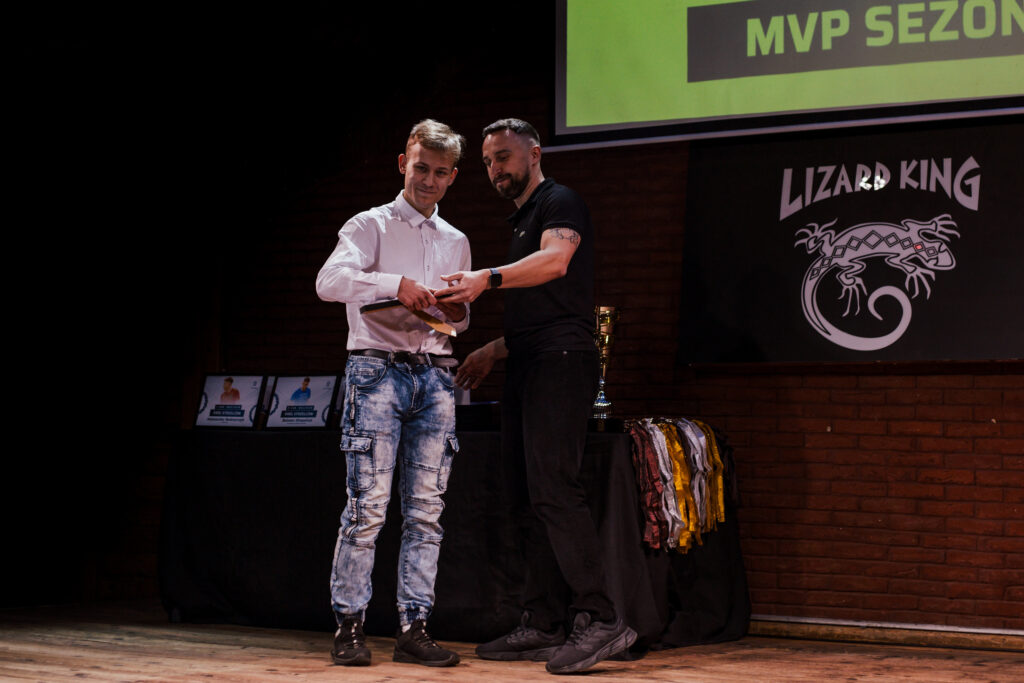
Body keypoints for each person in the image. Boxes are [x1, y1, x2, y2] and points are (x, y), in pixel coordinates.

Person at [439, 118, 636, 674]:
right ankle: (544, 621)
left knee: (553, 489)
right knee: (526, 496)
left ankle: (601, 617)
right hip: (530, 361)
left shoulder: (559, 201)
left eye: (503, 157)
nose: (494, 169)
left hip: (561, 364)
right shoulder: (523, 218)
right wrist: (494, 350)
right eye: (487, 161)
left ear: (534, 153)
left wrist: (486, 278)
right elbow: (547, 310)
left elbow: (557, 262)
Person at [315, 119, 470, 668]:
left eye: (440, 172)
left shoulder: (455, 240)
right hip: (377, 371)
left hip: (435, 373)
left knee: (427, 512)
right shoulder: (370, 224)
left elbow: (458, 317)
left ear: (452, 177)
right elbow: (329, 283)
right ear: (403, 163)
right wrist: (394, 285)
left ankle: (414, 628)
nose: (428, 180)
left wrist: (456, 311)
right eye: (420, 168)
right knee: (368, 508)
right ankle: (349, 628)